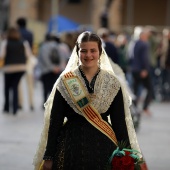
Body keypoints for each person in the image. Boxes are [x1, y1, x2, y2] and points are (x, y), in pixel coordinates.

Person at [33, 31, 145, 170]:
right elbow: (55, 121)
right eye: (84, 51)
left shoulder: (112, 83)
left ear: (100, 52)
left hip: (104, 149)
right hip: (70, 148)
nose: (88, 55)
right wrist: (49, 156)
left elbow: (119, 123)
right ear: (77, 52)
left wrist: (127, 155)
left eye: (93, 50)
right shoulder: (65, 81)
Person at [0, 27, 32, 114]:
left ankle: (6, 107)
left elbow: (2, 55)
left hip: (8, 68)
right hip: (21, 67)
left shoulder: (5, 43)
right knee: (15, 87)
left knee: (7, 88)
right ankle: (15, 108)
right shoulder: (24, 42)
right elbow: (28, 55)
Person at [131, 29, 152, 115]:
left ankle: (134, 107)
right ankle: (145, 107)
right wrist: (145, 69)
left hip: (135, 69)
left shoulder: (135, 43)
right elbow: (145, 58)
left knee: (136, 89)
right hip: (142, 70)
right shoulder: (144, 44)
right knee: (150, 89)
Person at [16, 17, 35, 111]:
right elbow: (31, 46)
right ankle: (31, 103)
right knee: (30, 83)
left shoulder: (16, 33)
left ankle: (20, 103)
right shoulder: (30, 33)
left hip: (18, 60)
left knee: (19, 82)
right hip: (28, 60)